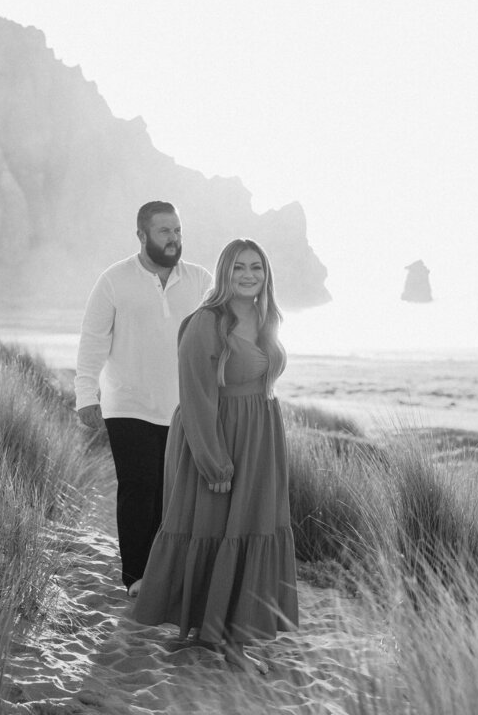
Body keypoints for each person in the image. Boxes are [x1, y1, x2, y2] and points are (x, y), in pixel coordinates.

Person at [131, 237, 298, 674]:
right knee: (209, 526)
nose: (248, 275)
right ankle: (209, 635)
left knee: (247, 528)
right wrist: (214, 460)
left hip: (260, 437)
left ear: (266, 275)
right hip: (216, 436)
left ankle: (231, 635)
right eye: (239, 267)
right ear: (225, 273)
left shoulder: (268, 318)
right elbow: (197, 396)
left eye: (256, 268)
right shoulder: (206, 322)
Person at [75, 201, 213, 597]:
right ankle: (136, 579)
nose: (174, 239)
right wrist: (87, 394)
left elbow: (219, 337)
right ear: (142, 235)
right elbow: (93, 339)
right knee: (139, 489)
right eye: (164, 231)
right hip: (128, 405)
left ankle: (169, 574)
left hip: (184, 408)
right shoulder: (114, 280)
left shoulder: (201, 280)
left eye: (178, 230)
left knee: (175, 495)